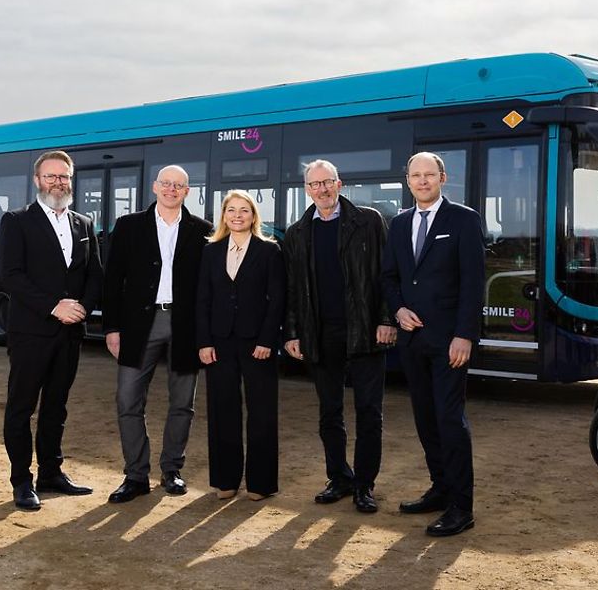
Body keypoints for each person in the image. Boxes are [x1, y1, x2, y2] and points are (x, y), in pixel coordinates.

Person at [380, 152, 485, 537]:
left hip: (449, 341)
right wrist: (398, 310)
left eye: (429, 174)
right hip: (412, 340)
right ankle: (440, 489)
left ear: (443, 177)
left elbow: (474, 283)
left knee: (449, 419)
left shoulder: (464, 219)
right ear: (407, 180)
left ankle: (461, 506)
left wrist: (465, 335)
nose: (422, 181)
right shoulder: (400, 223)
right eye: (415, 175)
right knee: (425, 418)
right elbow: (389, 277)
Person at [283, 159, 395, 514]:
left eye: (327, 182)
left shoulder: (369, 221)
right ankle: (339, 477)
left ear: (339, 184)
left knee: (369, 412)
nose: (322, 189)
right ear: (306, 190)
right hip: (321, 333)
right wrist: (293, 333)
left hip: (365, 329)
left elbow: (386, 274)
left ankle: (365, 484)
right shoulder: (297, 233)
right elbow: (291, 289)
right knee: (329, 412)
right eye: (314, 184)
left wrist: (386, 318)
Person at [0, 150, 103, 511]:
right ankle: (22, 481)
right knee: (21, 408)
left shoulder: (84, 223)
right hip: (31, 332)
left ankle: (51, 474)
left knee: (56, 407)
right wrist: (53, 306)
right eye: (51, 176)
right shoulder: (16, 221)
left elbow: (94, 274)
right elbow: (11, 276)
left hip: (70, 334)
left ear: (71, 180)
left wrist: (82, 307)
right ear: (37, 180)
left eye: (64, 176)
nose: (58, 182)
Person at [102, 166, 212, 503]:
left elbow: (209, 287)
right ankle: (135, 475)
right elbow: (112, 280)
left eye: (178, 185)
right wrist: (112, 328)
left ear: (187, 191)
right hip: (138, 325)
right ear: (154, 187)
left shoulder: (203, 231)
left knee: (183, 403)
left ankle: (171, 470)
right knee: (128, 400)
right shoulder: (129, 226)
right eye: (166, 183)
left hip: (184, 324)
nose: (171, 190)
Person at [196, 190, 285, 501]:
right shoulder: (210, 252)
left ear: (253, 216)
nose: (237, 215)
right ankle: (225, 480)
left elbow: (277, 302)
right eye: (231, 210)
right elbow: (202, 300)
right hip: (219, 342)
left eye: (244, 210)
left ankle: (261, 483)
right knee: (223, 411)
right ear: (223, 216)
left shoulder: (269, 251)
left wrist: (266, 341)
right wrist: (204, 341)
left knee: (261, 412)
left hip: (256, 343)